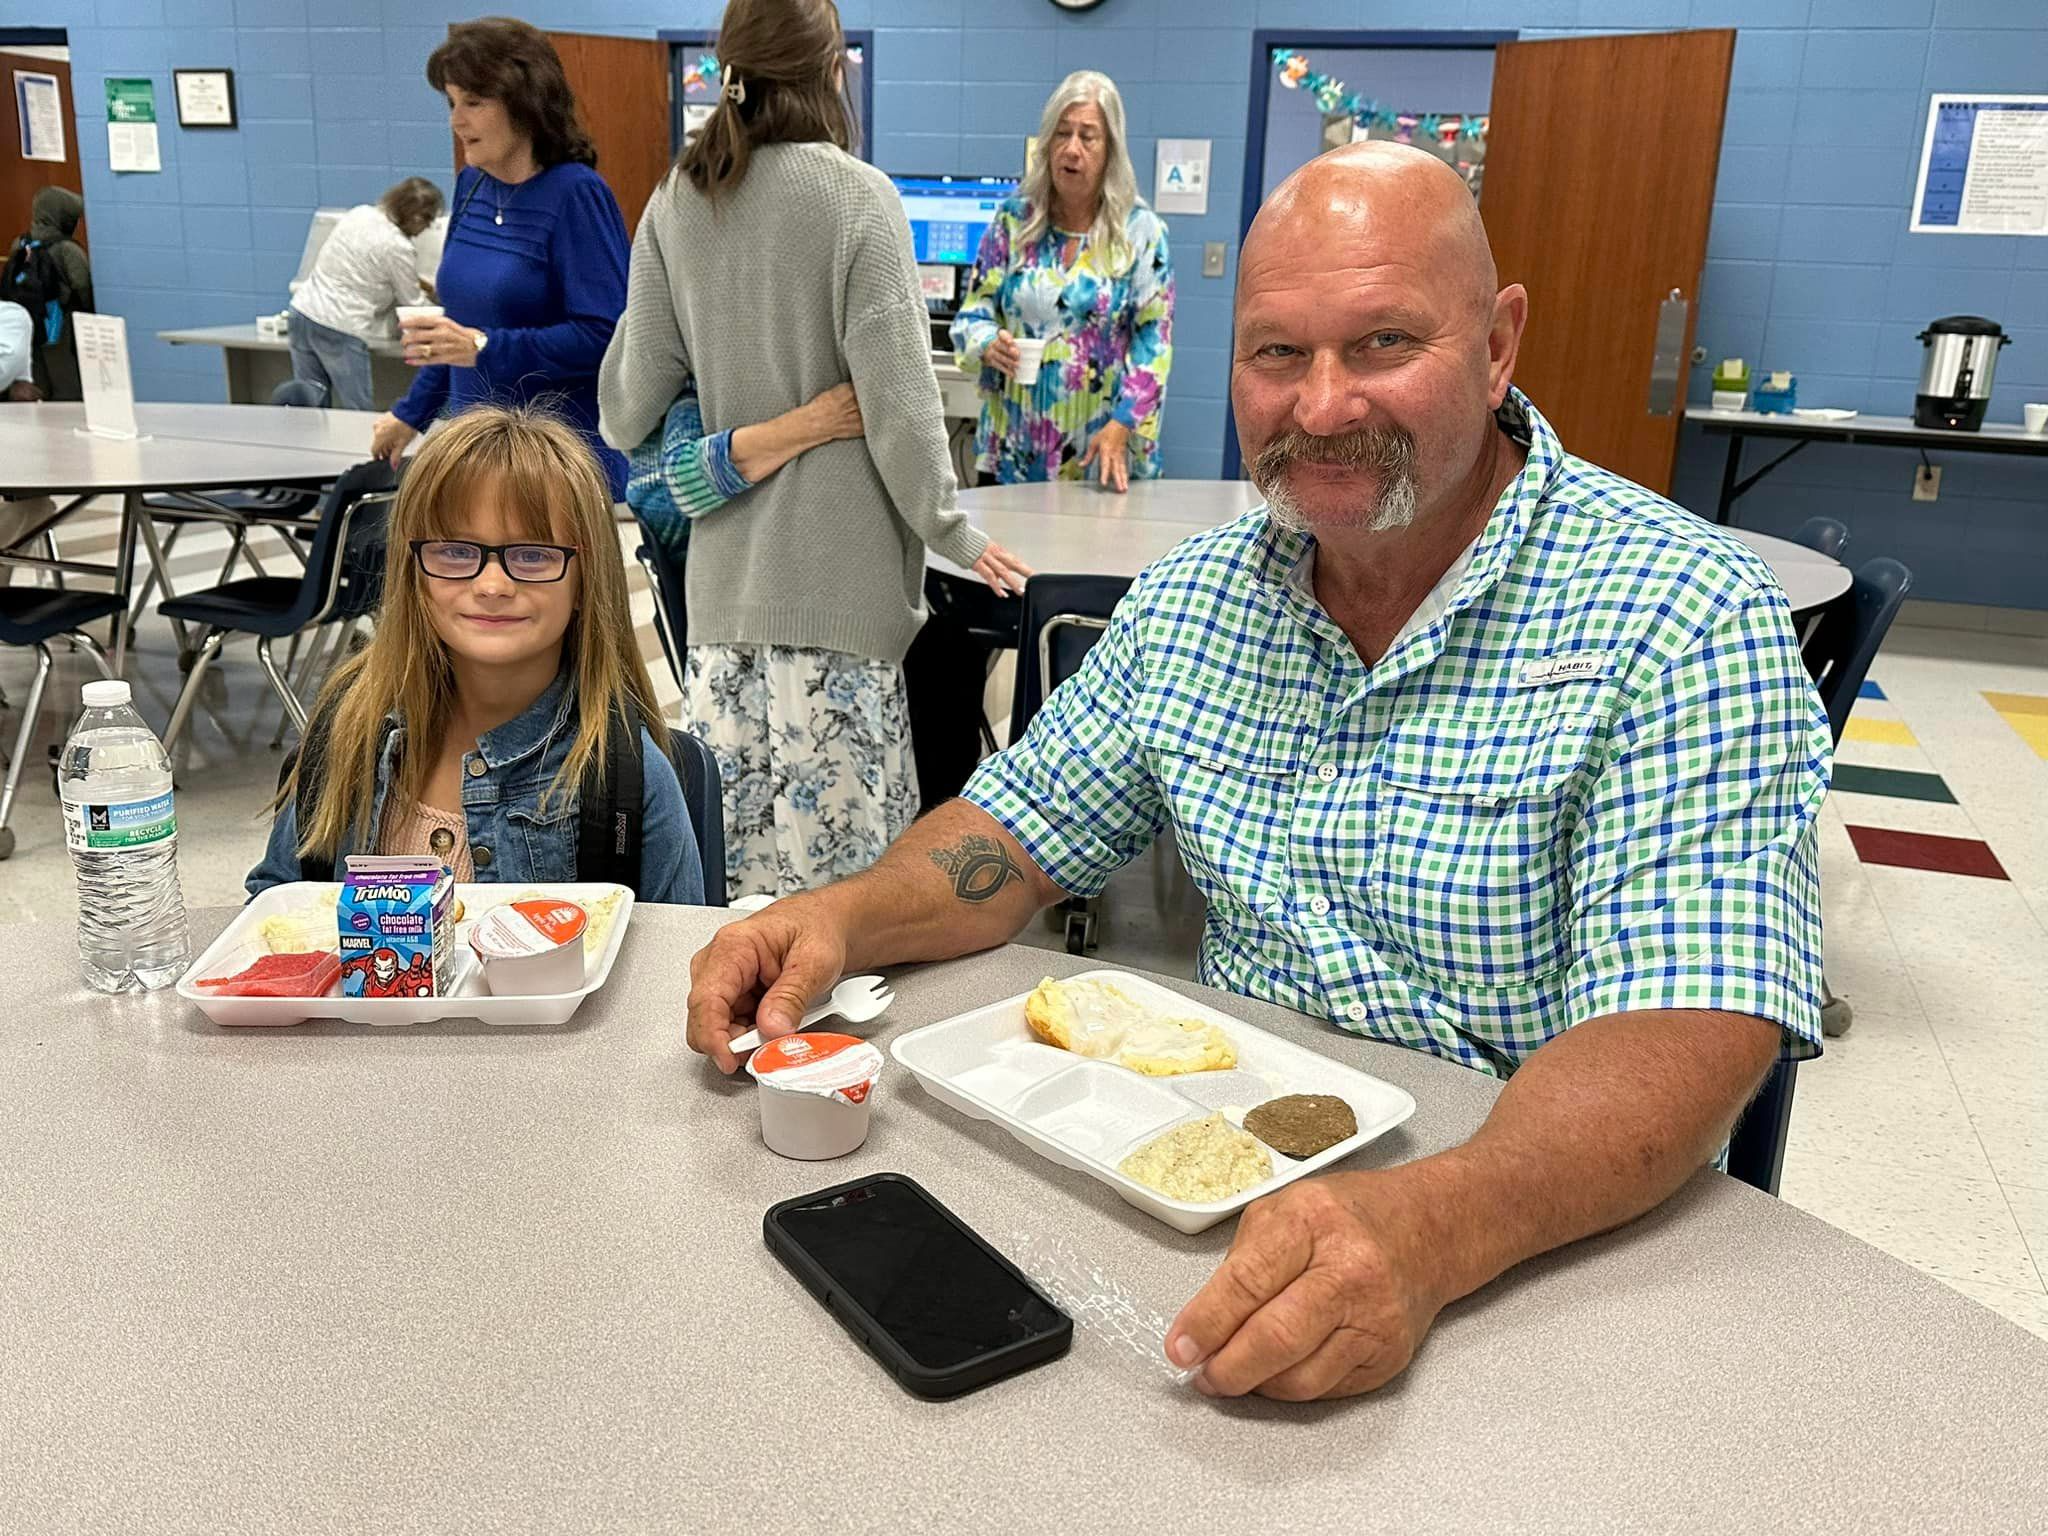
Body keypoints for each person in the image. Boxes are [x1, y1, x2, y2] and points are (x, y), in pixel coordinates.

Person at [684, 143, 1830, 1400]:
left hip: (1534, 1252)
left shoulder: (1680, 617)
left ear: (1499, 343)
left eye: (1384, 343)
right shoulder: (1195, 602)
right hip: (1217, 1207)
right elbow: (1006, 842)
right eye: (1277, 353)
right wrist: (833, 918)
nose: (1322, 406)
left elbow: (1683, 1021)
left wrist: (1439, 1224)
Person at [599, 0, 1027, 900]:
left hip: (725, 605)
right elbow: (903, 408)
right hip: (840, 601)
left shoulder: (679, 201)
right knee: (848, 892)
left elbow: (625, 407)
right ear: (834, 70)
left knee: (739, 880)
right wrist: (954, 534)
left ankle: (745, 1036)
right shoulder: (855, 196)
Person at [247, 405, 704, 904]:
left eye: (533, 555)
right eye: (456, 552)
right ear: (413, 572)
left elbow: (678, 963)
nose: (492, 585)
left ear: (585, 581)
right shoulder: (349, 729)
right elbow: (276, 903)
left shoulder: (625, 778)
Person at [372, 19, 631, 499]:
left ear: (524, 104)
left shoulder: (576, 195)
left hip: (558, 460)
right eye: (451, 103)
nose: (456, 120)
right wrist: (411, 414)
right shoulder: (472, 187)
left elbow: (605, 337)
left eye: (473, 102)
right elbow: (456, 334)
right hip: (481, 450)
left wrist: (487, 347)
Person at [949, 71, 1174, 491]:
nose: (1072, 149)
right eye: (1062, 134)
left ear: (1110, 151)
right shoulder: (1013, 222)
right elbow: (972, 314)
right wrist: (986, 342)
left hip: (1101, 453)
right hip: (1013, 452)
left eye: (1088, 137)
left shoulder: (1142, 234)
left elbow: (1154, 342)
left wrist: (1124, 423)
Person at [286, 177, 444, 410]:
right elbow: (414, 304)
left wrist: (423, 284)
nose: (426, 230)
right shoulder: (398, 247)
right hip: (340, 326)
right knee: (357, 412)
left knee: (309, 407)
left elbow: (363, 265)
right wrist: (452, 317)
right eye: (427, 221)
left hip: (301, 313)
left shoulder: (359, 214)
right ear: (416, 217)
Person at [3, 186, 93, 400]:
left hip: (27, 317)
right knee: (66, 377)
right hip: (58, 320)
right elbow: (83, 287)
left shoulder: (20, 243)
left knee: (37, 374)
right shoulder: (68, 249)